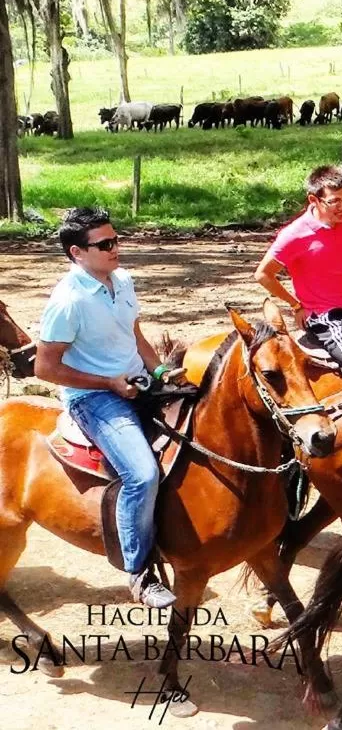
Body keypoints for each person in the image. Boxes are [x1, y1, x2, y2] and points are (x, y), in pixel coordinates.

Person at [35, 207, 176, 609]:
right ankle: (139, 571)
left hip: (138, 381)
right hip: (94, 398)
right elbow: (46, 368)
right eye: (105, 244)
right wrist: (109, 383)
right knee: (142, 474)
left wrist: (161, 371)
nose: (116, 248)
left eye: (116, 239)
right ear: (77, 253)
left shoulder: (123, 279)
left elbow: (134, 335)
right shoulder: (68, 301)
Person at [255, 164, 342, 384]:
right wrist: (296, 305)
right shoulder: (294, 235)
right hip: (327, 318)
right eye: (335, 201)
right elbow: (263, 274)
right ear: (314, 200)